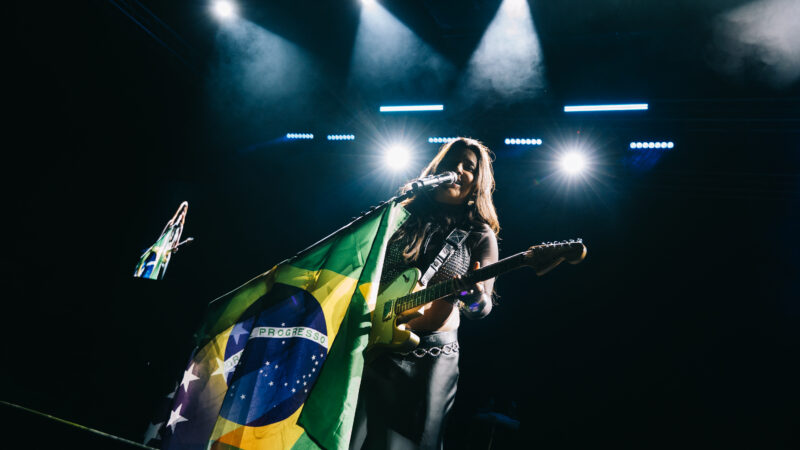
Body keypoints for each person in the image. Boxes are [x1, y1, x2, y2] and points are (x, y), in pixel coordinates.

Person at [350, 137, 501, 450]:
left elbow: (482, 306)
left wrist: (471, 296)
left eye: (468, 167)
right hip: (371, 345)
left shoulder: (479, 234)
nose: (456, 171)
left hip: (427, 361)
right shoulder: (399, 217)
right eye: (449, 164)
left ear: (478, 182)